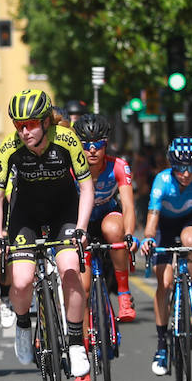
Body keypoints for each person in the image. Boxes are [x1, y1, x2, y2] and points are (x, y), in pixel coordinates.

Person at [0, 89, 94, 380]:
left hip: (64, 212)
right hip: (26, 214)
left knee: (70, 271)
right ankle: (23, 325)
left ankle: (75, 344)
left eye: (31, 124)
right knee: (21, 282)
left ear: (46, 122)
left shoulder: (67, 140)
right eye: (18, 125)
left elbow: (86, 187)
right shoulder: (9, 147)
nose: (24, 132)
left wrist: (82, 228)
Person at [140, 137, 192, 377]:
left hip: (188, 222)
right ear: (171, 166)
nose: (186, 174)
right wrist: (147, 238)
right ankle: (161, 347)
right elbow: (152, 218)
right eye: (179, 168)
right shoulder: (162, 181)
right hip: (163, 227)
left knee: (191, 243)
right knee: (164, 284)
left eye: (191, 168)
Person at [75, 113, 137, 324]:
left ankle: (123, 293)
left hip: (107, 214)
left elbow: (128, 205)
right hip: (80, 221)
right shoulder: (70, 168)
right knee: (82, 290)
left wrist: (129, 234)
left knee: (113, 230)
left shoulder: (119, 165)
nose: (92, 150)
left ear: (106, 144)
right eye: (86, 144)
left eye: (99, 144)